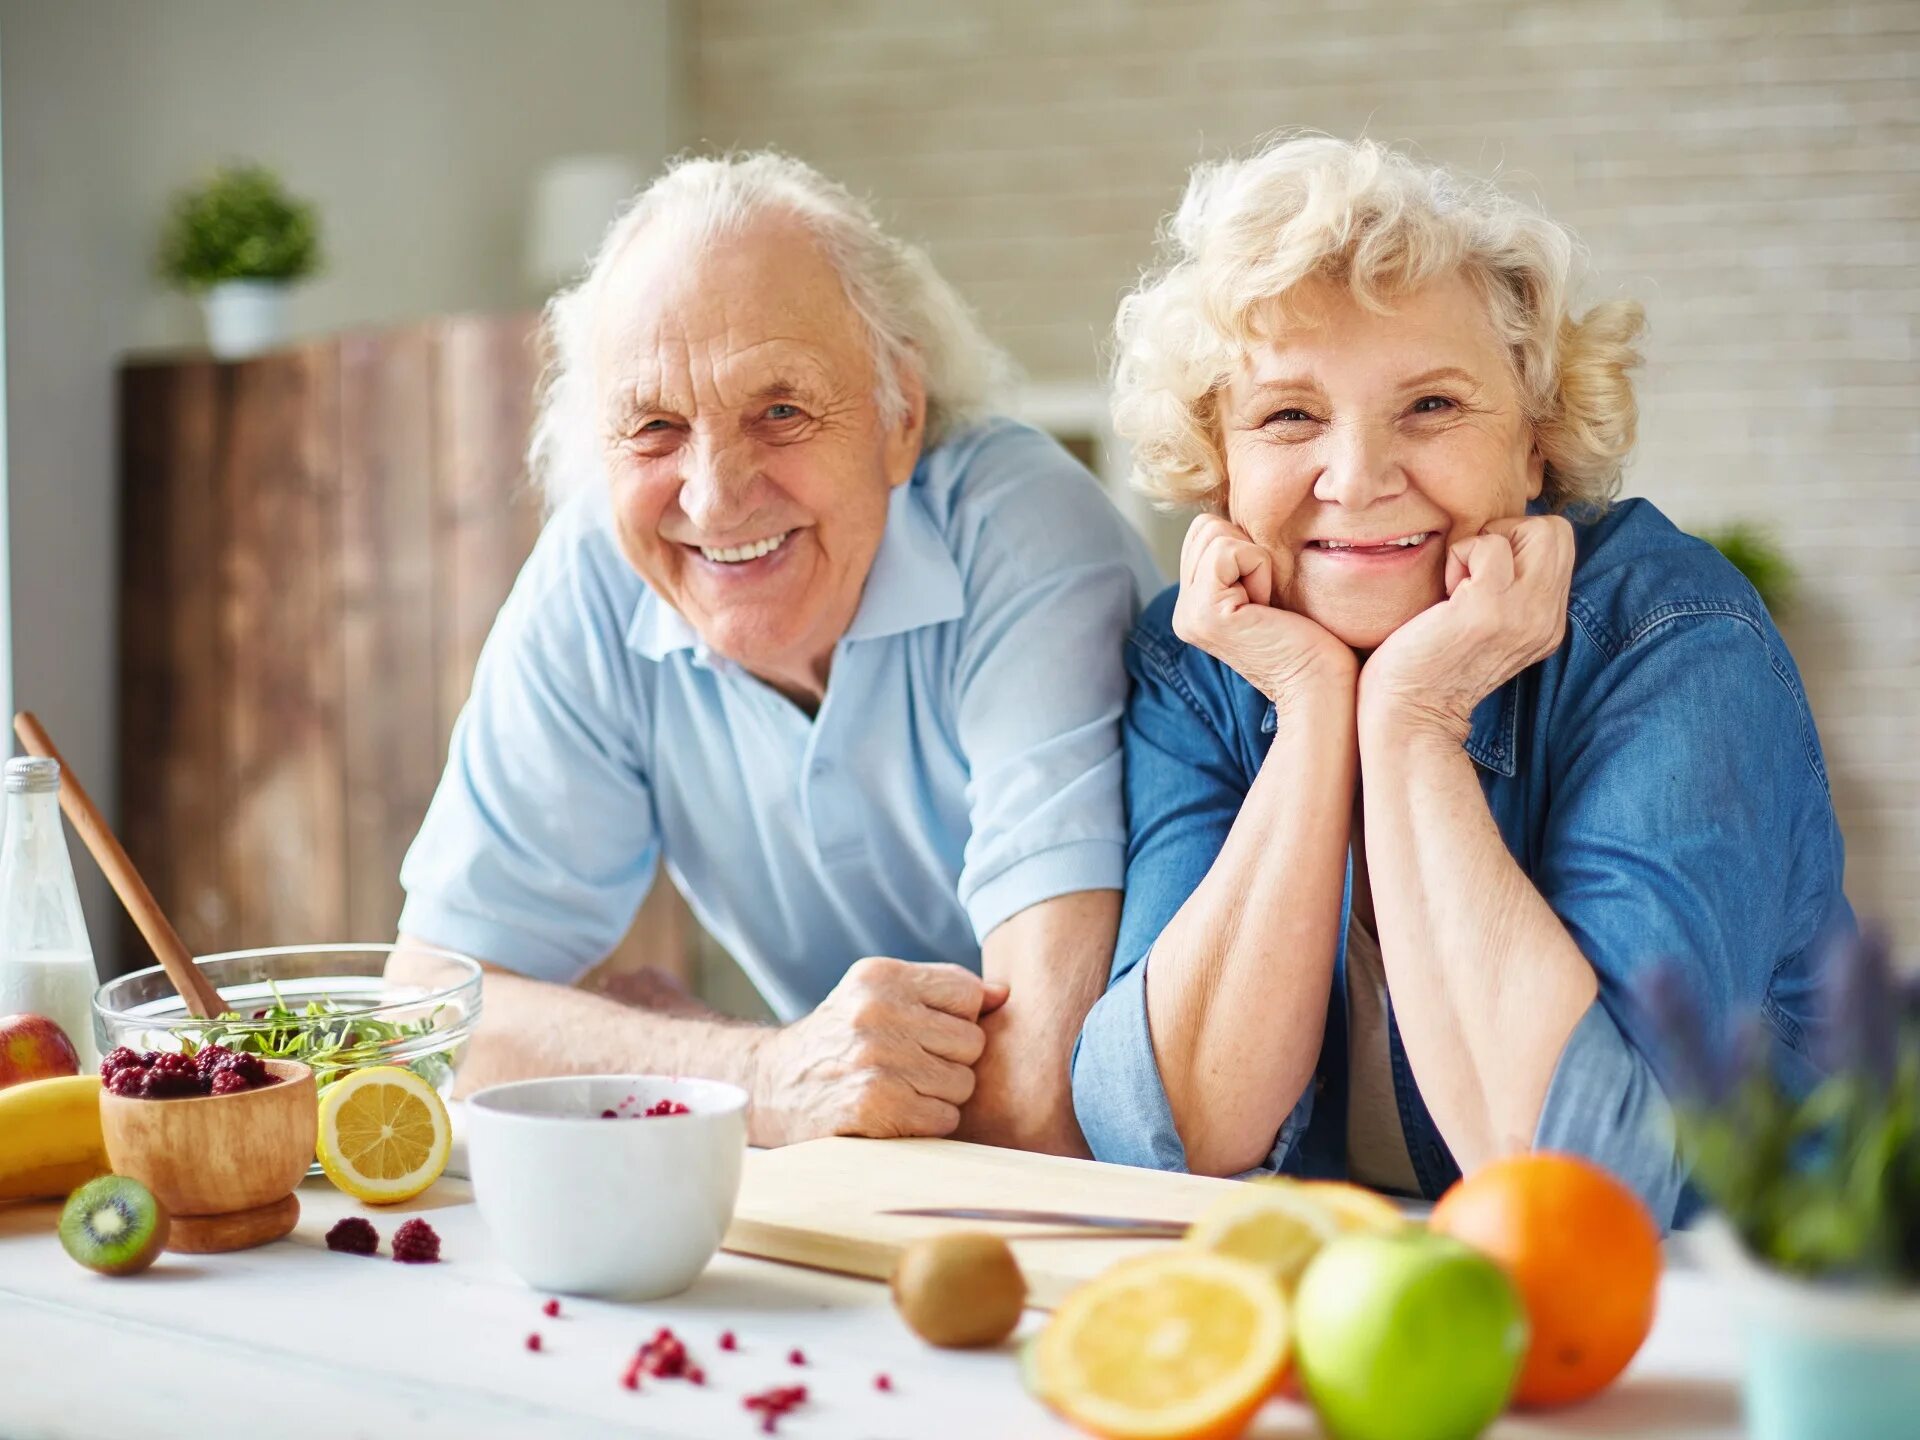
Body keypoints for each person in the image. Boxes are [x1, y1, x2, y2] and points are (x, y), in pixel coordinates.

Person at [1070, 135, 1850, 1226]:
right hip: (1415, 1334)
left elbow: (1592, 1175)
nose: (1358, 478)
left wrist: (1414, 716)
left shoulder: (1674, 636)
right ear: (1221, 459)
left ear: (1534, 446)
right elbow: (1163, 1130)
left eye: (1431, 406)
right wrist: (1311, 711)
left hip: (1752, 1339)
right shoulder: (1205, 655)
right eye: (1290, 415)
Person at [396, 152, 1161, 1155]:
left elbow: (1043, 1094)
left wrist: (690, 1047)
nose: (713, 498)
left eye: (782, 412)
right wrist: (761, 1074)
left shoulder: (1020, 531)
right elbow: (431, 1021)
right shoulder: (598, 564)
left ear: (899, 419)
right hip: (872, 1211)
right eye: (655, 427)